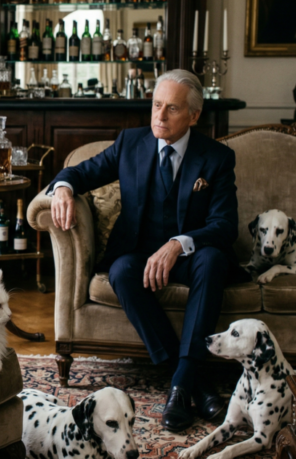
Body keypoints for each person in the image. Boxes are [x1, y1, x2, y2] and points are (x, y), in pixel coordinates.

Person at [48, 69, 250, 432]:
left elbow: (224, 226)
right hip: (139, 257)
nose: (160, 116)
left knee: (212, 258)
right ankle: (191, 381)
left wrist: (177, 244)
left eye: (171, 109)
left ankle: (178, 386)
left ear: (194, 115)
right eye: (157, 105)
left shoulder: (217, 158)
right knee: (122, 271)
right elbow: (80, 173)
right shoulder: (131, 143)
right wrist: (62, 188)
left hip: (191, 258)